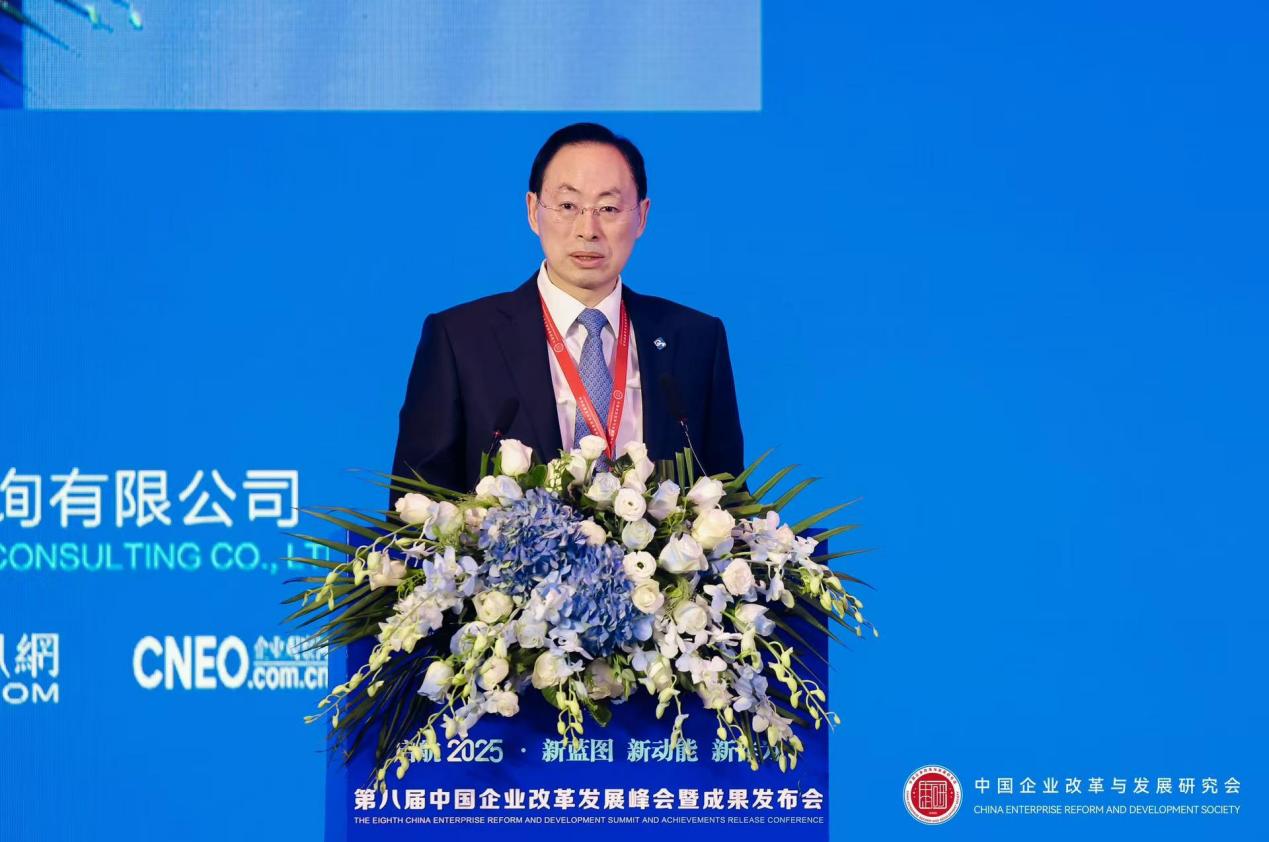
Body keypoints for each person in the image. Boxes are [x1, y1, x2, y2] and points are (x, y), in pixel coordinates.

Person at [391, 122, 744, 499]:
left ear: (641, 216)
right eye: (567, 206)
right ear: (533, 211)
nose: (587, 229)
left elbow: (729, 501)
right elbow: (415, 508)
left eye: (608, 208)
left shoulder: (695, 340)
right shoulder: (460, 340)